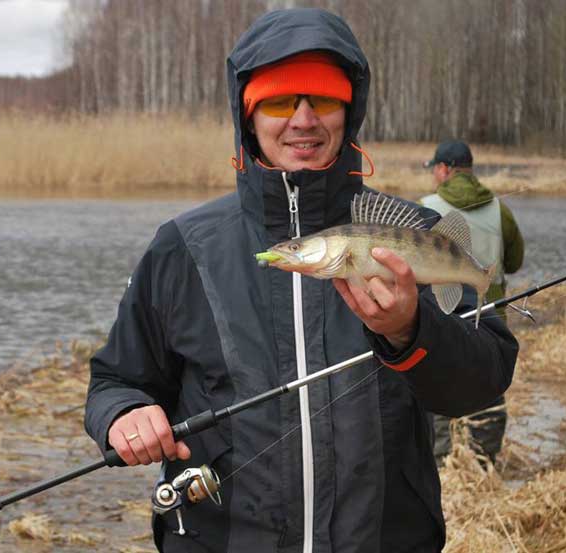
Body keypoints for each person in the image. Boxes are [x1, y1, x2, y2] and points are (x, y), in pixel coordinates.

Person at [85, 9, 518, 553]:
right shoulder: (182, 248)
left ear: (349, 109)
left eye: (324, 100)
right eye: (280, 101)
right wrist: (124, 414)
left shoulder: (423, 234)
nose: (304, 120)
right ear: (249, 115)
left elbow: (484, 379)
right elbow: (114, 381)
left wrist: (411, 332)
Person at [421, 140, 524, 467]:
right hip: (488, 319)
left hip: (440, 317)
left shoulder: (424, 206)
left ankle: (441, 463)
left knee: (435, 384)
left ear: (443, 170)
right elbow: (516, 261)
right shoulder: (499, 208)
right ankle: (484, 462)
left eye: (434, 170)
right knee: (489, 388)